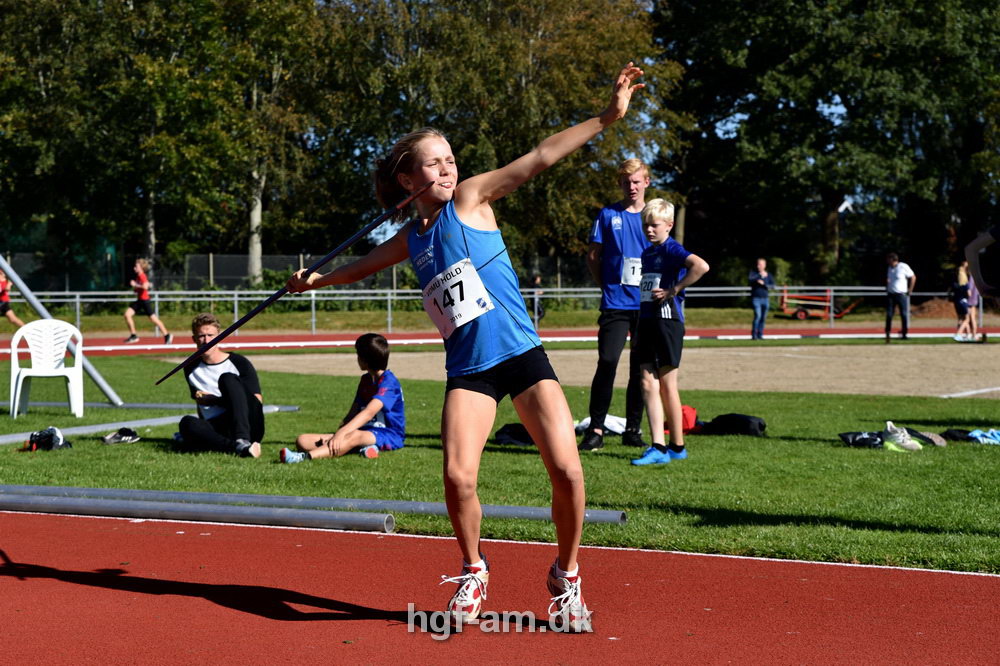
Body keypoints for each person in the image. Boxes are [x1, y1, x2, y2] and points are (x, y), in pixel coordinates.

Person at [286, 62, 646, 631]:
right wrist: (314, 282)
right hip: (470, 369)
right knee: (458, 476)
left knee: (568, 472)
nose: (449, 167)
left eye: (451, 159)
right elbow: (360, 267)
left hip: (522, 357)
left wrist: (607, 117)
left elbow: (540, 156)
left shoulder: (471, 199)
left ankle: (567, 574)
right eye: (436, 162)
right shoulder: (412, 237)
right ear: (408, 179)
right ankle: (474, 568)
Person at [579, 157, 653, 452]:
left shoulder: (655, 216)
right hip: (615, 302)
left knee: (640, 367)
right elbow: (592, 256)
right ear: (620, 184)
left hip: (646, 304)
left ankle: (633, 429)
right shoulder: (608, 214)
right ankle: (595, 429)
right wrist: (606, 285)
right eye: (626, 182)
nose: (631, 187)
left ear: (646, 182)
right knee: (608, 361)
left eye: (636, 181)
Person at [631, 199, 709, 466]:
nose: (649, 230)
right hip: (646, 320)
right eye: (646, 225)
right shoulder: (647, 253)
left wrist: (674, 289)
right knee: (646, 381)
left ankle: (675, 445)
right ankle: (660, 446)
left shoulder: (672, 249)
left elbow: (701, 266)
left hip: (667, 321)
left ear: (669, 225)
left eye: (654, 225)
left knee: (667, 384)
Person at [280, 333, 405, 463]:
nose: (357, 358)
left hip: (389, 434)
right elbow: (353, 412)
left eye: (358, 355)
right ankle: (364, 447)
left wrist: (342, 433)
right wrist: (337, 434)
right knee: (303, 440)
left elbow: (369, 412)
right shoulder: (365, 380)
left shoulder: (389, 383)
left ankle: (302, 458)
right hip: (361, 432)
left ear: (366, 359)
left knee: (354, 435)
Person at [177, 312, 263, 458]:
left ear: (219, 337)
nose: (206, 340)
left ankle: (243, 439)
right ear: (194, 339)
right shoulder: (190, 368)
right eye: (201, 336)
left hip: (248, 423)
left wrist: (215, 400)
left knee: (227, 378)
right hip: (219, 426)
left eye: (211, 335)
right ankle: (238, 448)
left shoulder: (239, 362)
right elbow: (200, 405)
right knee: (187, 423)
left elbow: (257, 401)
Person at [124, 258, 172, 344]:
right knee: (127, 315)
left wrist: (135, 284)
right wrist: (136, 288)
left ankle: (167, 335)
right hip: (140, 300)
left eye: (136, 266)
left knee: (154, 319)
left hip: (145, 301)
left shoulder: (142, 276)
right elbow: (141, 287)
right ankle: (133, 335)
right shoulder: (138, 276)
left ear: (141, 268)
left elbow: (145, 287)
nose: (134, 268)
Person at [885, 252, 916, 342]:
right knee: (889, 314)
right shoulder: (889, 268)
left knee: (904, 314)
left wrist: (910, 290)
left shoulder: (903, 266)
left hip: (901, 294)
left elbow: (913, 277)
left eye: (888, 259)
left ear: (892, 259)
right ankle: (887, 333)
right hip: (891, 294)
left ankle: (904, 334)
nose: (887, 261)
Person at [748, 257, 775, 340]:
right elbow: (750, 279)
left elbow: (772, 286)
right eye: (758, 264)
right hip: (756, 298)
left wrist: (764, 283)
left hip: (765, 299)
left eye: (760, 264)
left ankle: (760, 334)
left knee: (763, 318)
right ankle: (754, 335)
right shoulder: (753, 273)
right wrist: (759, 276)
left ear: (764, 265)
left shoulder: (768, 275)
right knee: (758, 316)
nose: (758, 266)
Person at [951, 261, 972, 341]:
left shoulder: (955, 283)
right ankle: (958, 334)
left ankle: (968, 335)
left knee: (961, 319)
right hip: (963, 302)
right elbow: (969, 294)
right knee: (967, 319)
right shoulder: (965, 284)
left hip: (956, 301)